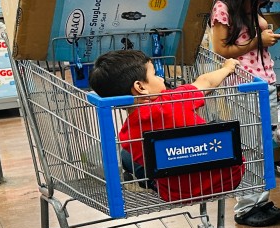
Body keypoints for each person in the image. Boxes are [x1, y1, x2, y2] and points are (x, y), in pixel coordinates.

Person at [89, 49, 244, 203]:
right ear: (140, 87)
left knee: (126, 156)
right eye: (155, 74)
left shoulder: (126, 135)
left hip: (177, 194)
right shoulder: (174, 99)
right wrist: (227, 68)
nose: (161, 78)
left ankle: (144, 183)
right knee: (218, 127)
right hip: (229, 179)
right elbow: (205, 82)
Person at [209, 0, 280, 228]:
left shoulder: (248, 9)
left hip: (264, 83)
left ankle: (260, 200)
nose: (258, 6)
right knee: (250, 145)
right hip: (243, 86)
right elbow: (222, 50)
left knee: (264, 144)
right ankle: (246, 207)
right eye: (255, 1)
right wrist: (258, 41)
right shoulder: (222, 9)